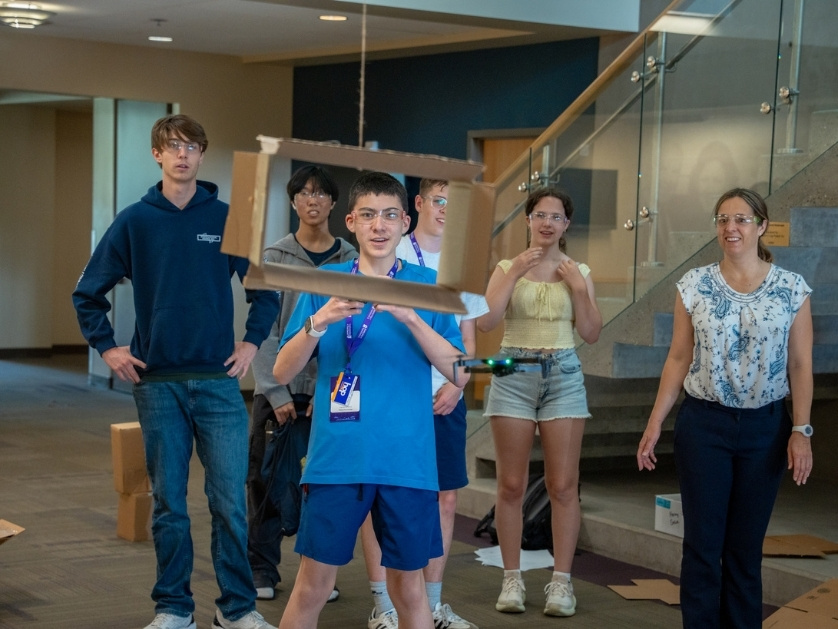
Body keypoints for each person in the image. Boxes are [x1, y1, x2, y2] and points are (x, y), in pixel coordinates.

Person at [72, 114, 280, 629]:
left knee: (230, 503)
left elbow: (265, 293)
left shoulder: (228, 218)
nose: (182, 154)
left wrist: (251, 343)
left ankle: (237, 609)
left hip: (217, 383)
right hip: (158, 383)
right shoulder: (135, 222)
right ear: (157, 156)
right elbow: (87, 293)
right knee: (169, 505)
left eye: (191, 146)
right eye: (172, 146)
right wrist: (109, 348)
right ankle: (173, 608)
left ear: (202, 155)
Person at [273, 171, 464, 629]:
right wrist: (319, 320)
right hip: (338, 458)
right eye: (369, 215)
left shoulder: (428, 284)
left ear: (404, 221)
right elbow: (282, 371)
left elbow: (460, 371)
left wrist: (413, 319)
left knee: (409, 589)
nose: (379, 226)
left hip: (407, 461)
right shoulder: (328, 280)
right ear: (352, 222)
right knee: (313, 585)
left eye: (389, 215)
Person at [636, 188, 813, 629]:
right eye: (722, 220)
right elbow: (678, 358)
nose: (730, 228)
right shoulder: (693, 284)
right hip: (704, 425)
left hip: (766, 428)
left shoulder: (791, 288)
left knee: (745, 549)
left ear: (761, 226)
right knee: (701, 544)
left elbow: (800, 364)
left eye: (741, 219)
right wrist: (655, 422)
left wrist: (802, 431)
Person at [360, 178, 486, 629]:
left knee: (444, 500)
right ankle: (385, 605)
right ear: (417, 206)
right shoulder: (394, 251)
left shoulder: (463, 266)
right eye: (439, 201)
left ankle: (431, 604)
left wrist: (457, 386)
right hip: (392, 396)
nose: (447, 210)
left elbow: (467, 340)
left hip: (443, 396)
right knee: (377, 496)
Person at [477, 187, 601, 618]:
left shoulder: (577, 269)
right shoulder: (506, 267)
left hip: (564, 373)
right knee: (511, 485)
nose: (547, 223)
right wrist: (512, 276)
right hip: (514, 372)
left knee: (563, 486)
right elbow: (488, 321)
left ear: (567, 224)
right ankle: (512, 579)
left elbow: (590, 332)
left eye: (557, 217)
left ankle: (560, 584)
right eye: (539, 215)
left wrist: (579, 289)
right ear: (527, 220)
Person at [247, 165, 357, 602]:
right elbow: (263, 330)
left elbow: (355, 332)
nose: (313, 201)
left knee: (326, 485)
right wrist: (276, 393)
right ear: (293, 202)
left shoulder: (352, 257)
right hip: (277, 385)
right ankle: (261, 570)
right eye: (304, 194)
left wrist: (332, 393)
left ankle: (317, 576)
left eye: (321, 194)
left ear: (333, 204)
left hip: (331, 390)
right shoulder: (273, 257)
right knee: (267, 479)